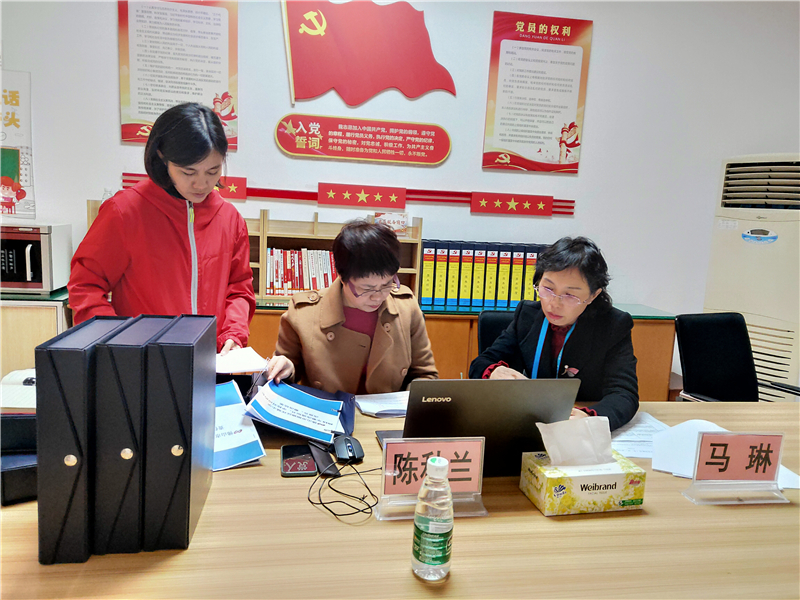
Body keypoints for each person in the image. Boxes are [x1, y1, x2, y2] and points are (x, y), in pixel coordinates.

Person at [68, 102, 255, 354]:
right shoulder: (125, 212)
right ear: (162, 158)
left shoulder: (230, 219)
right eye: (188, 172)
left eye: (213, 171)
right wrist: (114, 341)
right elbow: (86, 285)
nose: (201, 184)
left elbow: (239, 288)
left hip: (211, 360)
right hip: (142, 362)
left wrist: (234, 332)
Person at [469, 236, 638, 430]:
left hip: (576, 424)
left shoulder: (613, 325)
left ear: (593, 295)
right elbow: (481, 363)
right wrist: (494, 371)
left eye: (570, 295)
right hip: (529, 420)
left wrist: (590, 418)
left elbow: (624, 394)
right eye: (548, 289)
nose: (554, 303)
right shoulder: (527, 316)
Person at [267, 220, 438, 394]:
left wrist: (410, 401)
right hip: (327, 409)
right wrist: (287, 368)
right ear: (342, 277)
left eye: (387, 284)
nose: (378, 296)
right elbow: (285, 375)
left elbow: (425, 375)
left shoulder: (406, 308)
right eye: (367, 288)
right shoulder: (303, 313)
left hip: (391, 412)